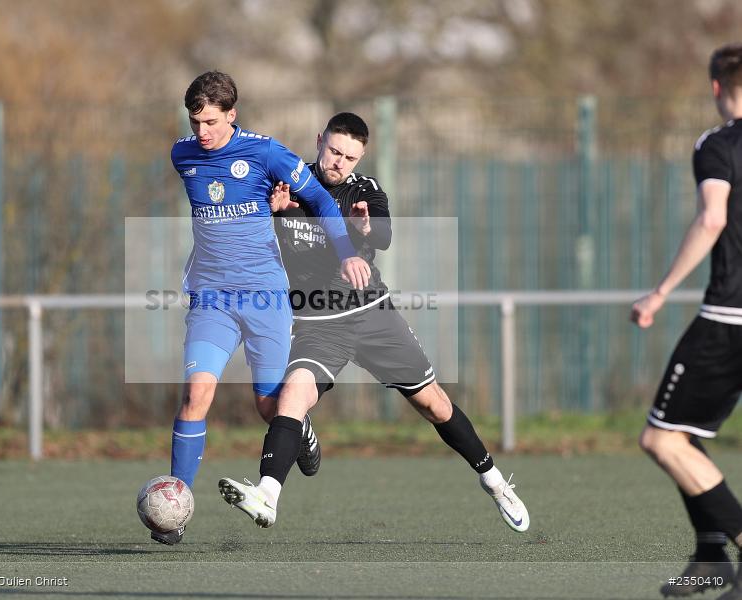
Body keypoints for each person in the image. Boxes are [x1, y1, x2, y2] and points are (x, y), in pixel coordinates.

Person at [217, 112, 530, 534]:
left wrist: (366, 226)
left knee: (433, 404)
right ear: (318, 142)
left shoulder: (365, 190)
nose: (340, 162)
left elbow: (380, 233)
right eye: (334, 151)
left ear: (360, 156)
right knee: (291, 395)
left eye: (350, 156)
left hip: (371, 314)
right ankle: (267, 495)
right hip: (317, 322)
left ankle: (493, 481)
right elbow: (251, 245)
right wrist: (270, 215)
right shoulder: (286, 185)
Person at [158, 72, 372, 545]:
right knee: (196, 394)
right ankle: (178, 506)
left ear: (232, 114)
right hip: (211, 298)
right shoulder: (182, 154)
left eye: (211, 122)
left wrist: (347, 252)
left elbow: (317, 197)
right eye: (195, 122)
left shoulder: (265, 152)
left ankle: (301, 427)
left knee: (268, 408)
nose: (202, 132)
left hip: (265, 298)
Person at [632, 44, 742, 600]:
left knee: (662, 438)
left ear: (717, 88)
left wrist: (660, 292)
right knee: (687, 437)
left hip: (730, 319)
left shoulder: (719, 144)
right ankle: (711, 557)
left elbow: (712, 217)